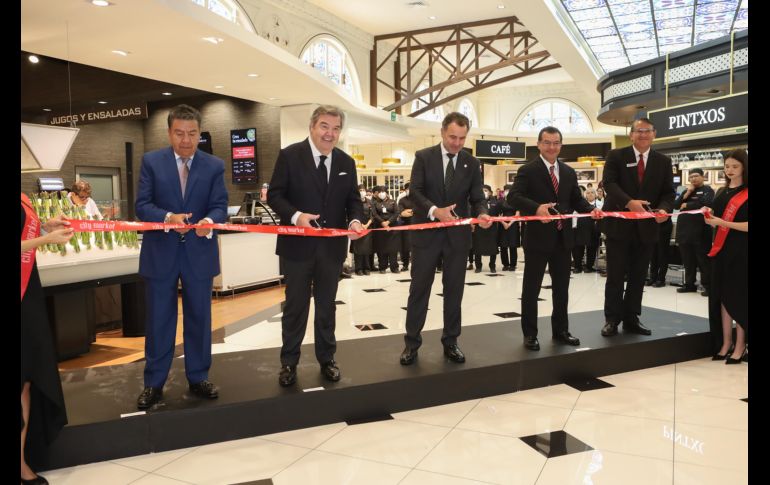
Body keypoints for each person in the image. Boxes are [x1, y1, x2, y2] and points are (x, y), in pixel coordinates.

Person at [134, 104, 228, 409]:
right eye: (179, 133)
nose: (186, 140)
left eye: (192, 133)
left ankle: (199, 377)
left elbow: (219, 205)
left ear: (199, 134)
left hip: (198, 253)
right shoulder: (152, 161)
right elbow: (142, 206)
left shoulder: (214, 166)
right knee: (160, 319)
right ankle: (154, 383)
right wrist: (169, 217)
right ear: (169, 133)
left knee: (200, 318)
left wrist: (209, 223)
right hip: (161, 252)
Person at [267, 105, 364, 386]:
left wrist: (356, 221)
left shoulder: (346, 162)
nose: (329, 133)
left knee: (326, 307)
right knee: (296, 307)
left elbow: (353, 201)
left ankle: (327, 359)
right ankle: (289, 363)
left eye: (335, 128)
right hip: (297, 247)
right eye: (324, 126)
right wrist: (297, 217)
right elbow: (275, 195)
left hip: (331, 250)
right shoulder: (289, 156)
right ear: (312, 127)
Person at [400, 112, 491, 365]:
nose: (457, 143)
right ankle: (411, 343)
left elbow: (477, 196)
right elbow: (414, 192)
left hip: (457, 238)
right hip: (426, 235)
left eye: (462, 138)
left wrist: (482, 213)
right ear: (442, 132)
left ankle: (451, 341)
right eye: (452, 137)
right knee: (419, 290)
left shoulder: (471, 163)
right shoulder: (423, 157)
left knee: (454, 291)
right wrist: (434, 211)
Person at [509, 126, 600, 350]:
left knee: (562, 288)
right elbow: (514, 197)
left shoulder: (568, 172)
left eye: (556, 143)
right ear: (539, 144)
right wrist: (536, 208)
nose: (552, 147)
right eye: (547, 142)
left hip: (563, 239)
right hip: (537, 239)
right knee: (531, 289)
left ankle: (561, 330)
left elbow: (575, 202)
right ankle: (530, 334)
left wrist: (591, 210)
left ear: (561, 145)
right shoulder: (528, 170)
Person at [600, 118, 675, 337]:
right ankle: (611, 319)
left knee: (638, 275)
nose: (643, 134)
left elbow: (669, 192)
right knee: (615, 275)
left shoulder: (663, 161)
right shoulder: (616, 156)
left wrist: (663, 209)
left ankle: (632, 318)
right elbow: (609, 183)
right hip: (618, 226)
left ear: (654, 134)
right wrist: (629, 202)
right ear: (631, 134)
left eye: (647, 131)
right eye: (638, 131)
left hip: (647, 228)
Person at [21, 196, 73, 485]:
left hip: (27, 292)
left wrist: (44, 229)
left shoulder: (23, 197)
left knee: (27, 378)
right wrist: (45, 240)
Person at [704, 149, 748, 363]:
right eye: (727, 166)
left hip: (742, 252)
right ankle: (725, 342)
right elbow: (716, 219)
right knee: (722, 297)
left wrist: (722, 223)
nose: (730, 170)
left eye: (735, 166)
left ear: (744, 168)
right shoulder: (720, 192)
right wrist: (709, 216)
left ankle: (740, 345)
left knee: (738, 297)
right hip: (721, 250)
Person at [674, 168, 714, 296]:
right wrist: (687, 194)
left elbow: (706, 203)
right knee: (688, 261)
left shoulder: (708, 190)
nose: (693, 179)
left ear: (703, 177)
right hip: (684, 231)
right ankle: (689, 285)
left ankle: (708, 286)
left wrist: (687, 205)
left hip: (701, 231)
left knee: (703, 260)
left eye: (696, 176)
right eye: (691, 177)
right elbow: (675, 205)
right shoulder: (686, 191)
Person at [372, 186, 401, 273]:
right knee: (382, 249)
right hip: (380, 228)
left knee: (393, 249)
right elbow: (374, 214)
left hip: (392, 228)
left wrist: (388, 222)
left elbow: (397, 213)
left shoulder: (393, 202)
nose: (381, 193)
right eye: (380, 192)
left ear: (386, 193)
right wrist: (383, 223)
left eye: (383, 191)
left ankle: (394, 267)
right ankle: (382, 267)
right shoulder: (375, 203)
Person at [572, 188, 601, 273]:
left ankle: (589, 266)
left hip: (593, 229)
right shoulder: (579, 205)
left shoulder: (600, 204)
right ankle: (578, 266)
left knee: (592, 248)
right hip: (579, 228)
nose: (590, 194)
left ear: (595, 194)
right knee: (577, 248)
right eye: (588, 193)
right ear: (585, 195)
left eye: (592, 192)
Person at [472, 184, 500, 273]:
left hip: (492, 228)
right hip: (479, 227)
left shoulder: (495, 202)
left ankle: (492, 266)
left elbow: (498, 214)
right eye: (482, 190)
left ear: (490, 192)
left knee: (493, 247)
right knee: (478, 247)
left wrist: (493, 221)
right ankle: (478, 266)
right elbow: (473, 214)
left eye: (486, 190)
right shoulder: (476, 203)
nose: (484, 192)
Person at [497, 184, 521, 272]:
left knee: (513, 245)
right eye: (506, 190)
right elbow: (498, 215)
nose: (507, 192)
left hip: (513, 225)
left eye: (509, 190)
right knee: (503, 246)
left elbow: (517, 215)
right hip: (502, 225)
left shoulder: (516, 201)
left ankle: (513, 265)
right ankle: (505, 264)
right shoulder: (500, 201)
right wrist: (504, 223)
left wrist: (509, 223)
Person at [352, 185, 374, 275]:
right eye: (360, 190)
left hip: (367, 228)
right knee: (358, 249)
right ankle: (359, 269)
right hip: (357, 228)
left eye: (363, 190)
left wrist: (367, 225)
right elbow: (353, 213)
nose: (362, 191)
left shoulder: (369, 202)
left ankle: (367, 268)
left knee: (367, 249)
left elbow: (372, 215)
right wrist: (360, 225)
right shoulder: (355, 202)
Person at [397, 182, 415, 271]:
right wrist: (412, 212)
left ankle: (417, 264)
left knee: (416, 247)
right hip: (406, 226)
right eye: (407, 189)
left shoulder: (417, 199)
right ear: (405, 190)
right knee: (405, 247)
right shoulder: (402, 200)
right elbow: (402, 213)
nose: (409, 190)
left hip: (417, 226)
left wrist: (410, 211)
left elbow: (420, 210)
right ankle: (405, 265)